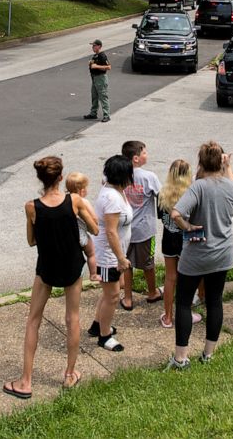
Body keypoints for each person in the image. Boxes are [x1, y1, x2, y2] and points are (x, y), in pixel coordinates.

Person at [3, 156, 99, 399]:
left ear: (40, 179)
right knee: (72, 319)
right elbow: (95, 229)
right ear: (60, 178)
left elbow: (31, 240)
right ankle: (69, 374)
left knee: (33, 320)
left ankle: (25, 381)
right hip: (71, 266)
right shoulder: (74, 201)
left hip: (46, 268)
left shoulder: (31, 207)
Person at [167, 141, 233, 370]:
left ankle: (181, 357)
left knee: (184, 302)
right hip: (223, 252)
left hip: (198, 254)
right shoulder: (230, 186)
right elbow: (231, 181)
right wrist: (228, 166)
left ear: (200, 162)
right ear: (221, 161)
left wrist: (187, 226)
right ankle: (208, 353)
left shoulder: (198, 187)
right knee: (215, 301)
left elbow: (176, 212)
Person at [88, 155, 134, 351]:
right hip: (109, 256)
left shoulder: (112, 189)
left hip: (112, 254)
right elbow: (111, 231)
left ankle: (97, 325)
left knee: (109, 293)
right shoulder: (113, 198)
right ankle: (104, 336)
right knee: (113, 296)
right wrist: (121, 258)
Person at [156, 159, 202, 329]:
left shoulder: (162, 193)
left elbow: (161, 217)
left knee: (170, 278)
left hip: (168, 239)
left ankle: (167, 317)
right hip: (186, 240)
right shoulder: (191, 193)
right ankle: (186, 312)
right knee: (187, 279)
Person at [120, 140, 162, 311]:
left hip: (124, 229)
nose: (147, 155)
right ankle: (152, 293)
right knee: (148, 263)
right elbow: (162, 196)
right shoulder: (149, 177)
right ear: (136, 158)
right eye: (144, 152)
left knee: (126, 263)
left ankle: (128, 298)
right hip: (145, 229)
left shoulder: (119, 175)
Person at [65, 172, 101, 282]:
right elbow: (94, 218)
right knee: (91, 253)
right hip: (82, 235)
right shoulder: (83, 201)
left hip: (70, 234)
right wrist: (95, 223)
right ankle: (93, 274)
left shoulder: (65, 200)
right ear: (82, 190)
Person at [83, 39, 111, 122]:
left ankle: (107, 115)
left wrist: (96, 66)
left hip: (101, 78)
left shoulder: (102, 55)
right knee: (94, 97)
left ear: (99, 46)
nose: (93, 47)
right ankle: (93, 113)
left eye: (94, 46)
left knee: (103, 96)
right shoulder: (95, 56)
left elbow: (109, 67)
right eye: (92, 46)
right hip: (95, 78)